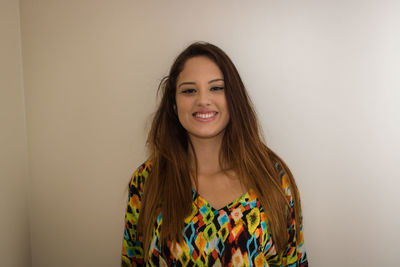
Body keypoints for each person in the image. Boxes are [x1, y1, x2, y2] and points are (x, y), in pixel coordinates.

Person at [122, 42, 308, 267]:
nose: (203, 100)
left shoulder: (273, 177)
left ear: (234, 98)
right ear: (173, 103)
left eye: (217, 88)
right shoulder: (147, 180)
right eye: (189, 90)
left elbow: (293, 261)